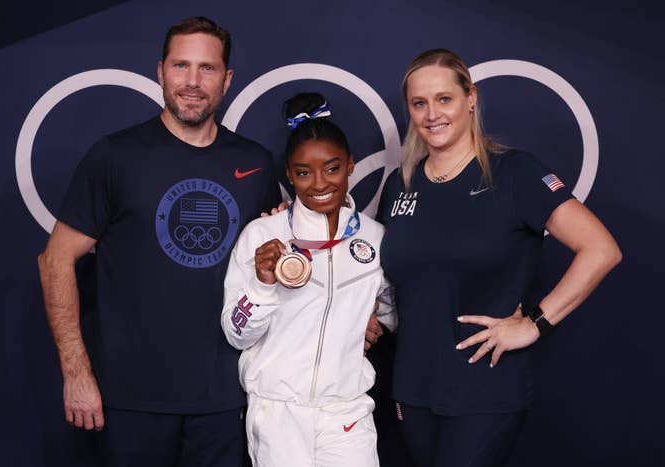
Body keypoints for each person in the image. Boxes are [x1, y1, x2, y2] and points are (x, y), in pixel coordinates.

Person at [37, 16, 280, 467]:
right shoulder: (116, 155)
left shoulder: (256, 164)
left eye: (206, 69)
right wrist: (76, 372)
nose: (192, 82)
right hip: (131, 401)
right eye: (180, 66)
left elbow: (277, 271)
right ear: (160, 71)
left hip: (227, 400)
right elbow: (55, 261)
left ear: (226, 79)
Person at [376, 48, 622, 467]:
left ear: (470, 98)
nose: (432, 114)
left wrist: (535, 324)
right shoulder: (403, 184)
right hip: (413, 389)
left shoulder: (514, 173)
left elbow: (601, 249)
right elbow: (380, 275)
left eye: (444, 99)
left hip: (484, 390)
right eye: (419, 103)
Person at [221, 92, 397, 467]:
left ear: (350, 165)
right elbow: (237, 333)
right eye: (303, 172)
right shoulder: (261, 234)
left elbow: (394, 310)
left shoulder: (375, 238)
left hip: (346, 412)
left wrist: (372, 320)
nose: (319, 183)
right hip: (278, 414)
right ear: (289, 174)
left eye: (332, 168)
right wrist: (263, 283)